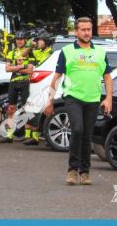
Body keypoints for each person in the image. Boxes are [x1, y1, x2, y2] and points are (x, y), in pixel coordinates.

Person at [44, 17, 113, 185]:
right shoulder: (67, 51)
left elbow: (107, 77)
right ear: (76, 32)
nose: (86, 32)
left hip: (93, 99)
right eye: (83, 29)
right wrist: (50, 100)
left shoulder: (100, 52)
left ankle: (85, 172)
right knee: (77, 129)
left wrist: (109, 99)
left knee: (86, 136)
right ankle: (72, 170)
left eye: (89, 29)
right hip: (73, 97)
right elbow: (57, 77)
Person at [1, 30, 34, 142]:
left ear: (25, 40)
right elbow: (7, 69)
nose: (19, 41)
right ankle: (9, 135)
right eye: (17, 39)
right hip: (13, 82)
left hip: (25, 83)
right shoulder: (11, 52)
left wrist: (15, 67)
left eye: (21, 39)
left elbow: (30, 71)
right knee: (11, 109)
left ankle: (28, 135)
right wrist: (21, 66)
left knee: (26, 109)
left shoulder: (30, 52)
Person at [24, 32, 55, 146]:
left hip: (48, 84)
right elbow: (24, 54)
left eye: (40, 40)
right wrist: (30, 45)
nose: (38, 42)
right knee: (35, 110)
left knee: (47, 111)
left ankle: (47, 137)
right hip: (38, 83)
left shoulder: (51, 54)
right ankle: (34, 138)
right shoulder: (36, 51)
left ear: (46, 42)